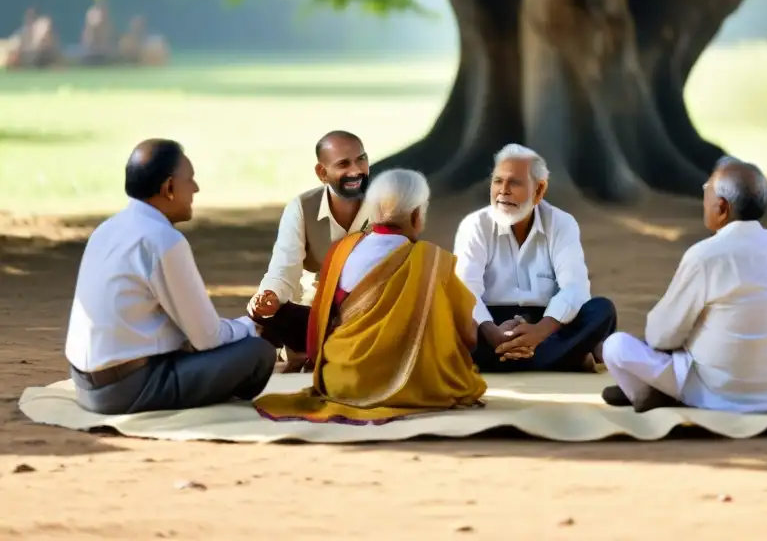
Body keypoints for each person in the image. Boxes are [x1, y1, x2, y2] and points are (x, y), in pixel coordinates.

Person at [254, 169, 487, 423]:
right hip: (407, 384)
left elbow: (319, 328)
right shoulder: (434, 263)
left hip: (341, 381)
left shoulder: (342, 250)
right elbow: (466, 333)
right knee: (461, 375)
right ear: (417, 214)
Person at [64, 139, 276, 415]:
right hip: (124, 392)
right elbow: (207, 338)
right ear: (169, 189)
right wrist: (250, 326)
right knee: (257, 353)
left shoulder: (107, 228)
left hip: (84, 384)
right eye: (190, 180)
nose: (196, 188)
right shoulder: (163, 239)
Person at [601, 157, 767, 413]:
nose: (704, 199)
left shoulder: (705, 255)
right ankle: (656, 390)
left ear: (721, 207)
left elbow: (660, 335)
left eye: (706, 191)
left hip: (721, 395)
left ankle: (655, 392)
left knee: (616, 347)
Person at [452, 144, 617, 372]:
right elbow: (466, 289)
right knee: (450, 316)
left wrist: (539, 332)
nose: (503, 191)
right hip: (489, 324)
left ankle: (506, 360)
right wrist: (493, 333)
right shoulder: (475, 225)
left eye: (514, 183)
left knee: (601, 310)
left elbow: (575, 288)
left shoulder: (561, 223)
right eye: (498, 181)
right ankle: (566, 357)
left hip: (546, 323)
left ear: (539, 191)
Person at [248, 130, 371, 370]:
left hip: (369, 316)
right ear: (322, 173)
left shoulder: (385, 204)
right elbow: (284, 268)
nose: (356, 170)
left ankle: (313, 352)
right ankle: (318, 349)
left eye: (361, 159)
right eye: (344, 164)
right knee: (265, 315)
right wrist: (269, 298)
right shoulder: (302, 208)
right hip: (315, 314)